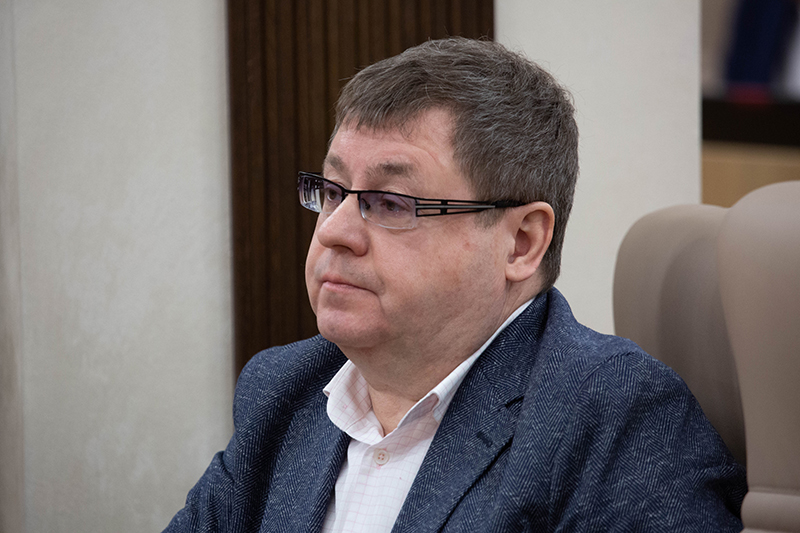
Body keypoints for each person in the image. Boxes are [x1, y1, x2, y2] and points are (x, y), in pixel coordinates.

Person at [164, 37, 746, 532]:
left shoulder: (615, 417)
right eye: (334, 192)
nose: (335, 231)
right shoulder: (284, 389)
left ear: (521, 243)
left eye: (390, 202)